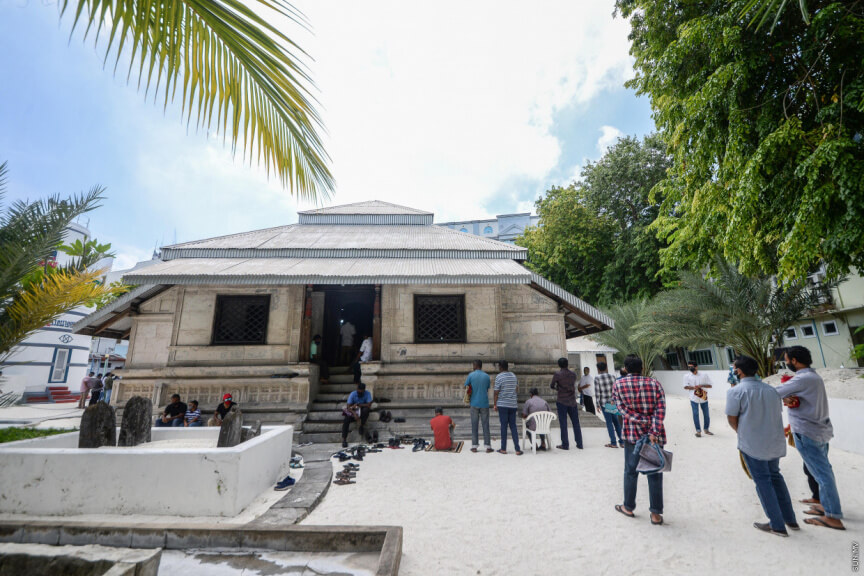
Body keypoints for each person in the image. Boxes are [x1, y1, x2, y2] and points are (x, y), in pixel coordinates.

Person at [726, 355, 798, 537]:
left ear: (739, 371)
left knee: (763, 481)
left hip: (752, 444)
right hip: (773, 441)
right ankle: (790, 519)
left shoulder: (736, 392)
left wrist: (743, 433)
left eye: (735, 368)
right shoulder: (771, 390)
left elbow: (732, 419)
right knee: (775, 477)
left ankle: (777, 524)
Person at [776, 346, 845, 530]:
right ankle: (824, 505)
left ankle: (833, 517)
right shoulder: (813, 377)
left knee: (822, 474)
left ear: (795, 361)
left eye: (787, 360)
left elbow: (774, 392)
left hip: (807, 432)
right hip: (820, 430)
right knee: (821, 471)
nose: (786, 363)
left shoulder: (802, 378)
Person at [612, 354, 666, 526]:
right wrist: (653, 428)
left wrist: (640, 420)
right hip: (654, 436)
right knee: (655, 472)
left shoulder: (618, 384)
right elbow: (661, 409)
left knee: (630, 471)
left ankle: (628, 506)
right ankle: (656, 514)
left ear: (625, 369)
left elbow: (620, 409)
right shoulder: (654, 383)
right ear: (642, 368)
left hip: (631, 434)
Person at [550, 357, 582, 450]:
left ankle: (565, 444)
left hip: (562, 400)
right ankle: (579, 443)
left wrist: (558, 388)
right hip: (572, 401)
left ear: (559, 365)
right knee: (576, 422)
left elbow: (552, 385)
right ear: (567, 364)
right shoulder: (573, 374)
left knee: (563, 423)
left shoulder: (557, 374)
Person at [493, 360, 522, 455]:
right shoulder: (514, 376)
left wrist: (495, 404)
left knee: (504, 426)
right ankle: (517, 449)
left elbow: (496, 392)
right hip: (513, 404)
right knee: (513, 426)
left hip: (502, 405)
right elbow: (517, 389)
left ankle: (503, 448)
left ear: (500, 367)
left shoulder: (499, 377)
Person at [465, 360, 493, 453]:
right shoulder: (486, 376)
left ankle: (474, 446)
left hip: (474, 403)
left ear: (475, 365)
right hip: (484, 403)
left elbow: (466, 387)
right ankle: (488, 446)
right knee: (485, 425)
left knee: (474, 424)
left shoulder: (471, 375)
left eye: (473, 365)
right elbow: (487, 388)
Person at [594, 362, 623, 448]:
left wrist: (597, 405)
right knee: (616, 422)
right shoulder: (612, 376)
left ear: (598, 369)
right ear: (606, 368)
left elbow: (597, 392)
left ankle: (613, 442)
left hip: (604, 403)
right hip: (612, 403)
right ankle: (622, 442)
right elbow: (616, 390)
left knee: (609, 423)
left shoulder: (597, 378)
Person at [684, 360, 713, 437]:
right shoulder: (687, 376)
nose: (690, 368)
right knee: (695, 414)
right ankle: (698, 431)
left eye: (691, 367)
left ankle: (706, 429)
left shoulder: (704, 375)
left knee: (706, 414)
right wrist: (693, 387)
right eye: (689, 367)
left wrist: (701, 386)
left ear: (696, 367)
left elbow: (710, 385)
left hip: (703, 397)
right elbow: (685, 386)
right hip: (693, 398)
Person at [341, 382, 372, 448]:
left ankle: (361, 425)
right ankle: (344, 439)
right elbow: (348, 406)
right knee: (346, 420)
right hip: (353, 410)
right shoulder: (353, 394)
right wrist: (354, 414)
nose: (359, 393)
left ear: (364, 390)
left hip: (362, 410)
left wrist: (360, 405)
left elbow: (369, 405)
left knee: (366, 410)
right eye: (358, 392)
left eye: (361, 392)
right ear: (357, 389)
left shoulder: (367, 393)